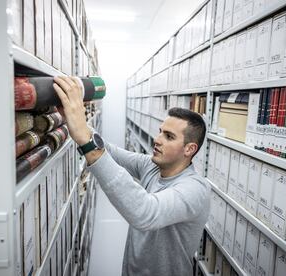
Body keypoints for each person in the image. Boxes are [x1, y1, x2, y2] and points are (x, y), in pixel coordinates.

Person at [53, 75, 211, 276]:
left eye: (169, 136)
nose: (157, 139)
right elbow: (110, 151)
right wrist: (75, 121)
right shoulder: (152, 166)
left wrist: (87, 142)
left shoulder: (195, 189)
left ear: (189, 149)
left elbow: (145, 212)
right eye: (161, 132)